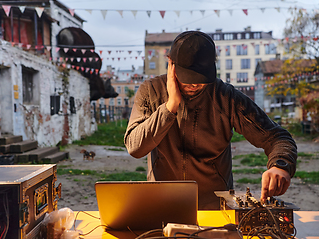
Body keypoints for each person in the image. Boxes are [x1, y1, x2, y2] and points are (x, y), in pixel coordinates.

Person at [124, 31, 297, 209]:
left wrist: (280, 165)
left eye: (200, 78)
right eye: (188, 78)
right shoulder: (151, 91)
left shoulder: (226, 97)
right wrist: (170, 106)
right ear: (171, 64)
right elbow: (135, 147)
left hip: (214, 208)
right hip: (163, 205)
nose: (194, 84)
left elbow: (277, 137)